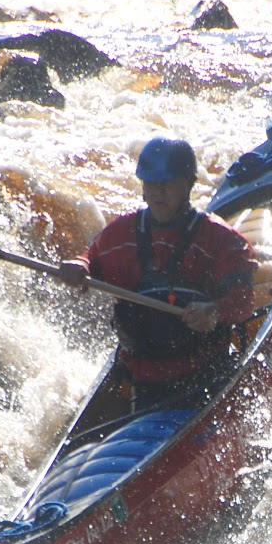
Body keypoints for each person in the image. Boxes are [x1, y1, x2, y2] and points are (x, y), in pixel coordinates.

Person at [57, 137, 256, 410]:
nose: (159, 193)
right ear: (142, 188)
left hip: (209, 374)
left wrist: (216, 310)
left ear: (188, 185)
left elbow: (244, 300)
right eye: (152, 184)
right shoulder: (121, 234)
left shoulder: (220, 239)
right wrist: (81, 265)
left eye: (168, 184)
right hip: (147, 381)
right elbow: (92, 259)